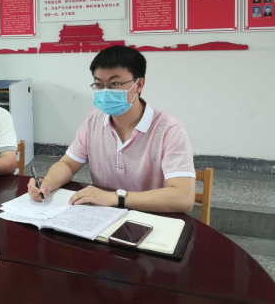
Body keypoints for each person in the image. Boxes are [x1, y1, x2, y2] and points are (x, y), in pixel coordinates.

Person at [28, 46, 195, 213]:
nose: (105, 91)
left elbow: (183, 197)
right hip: (104, 215)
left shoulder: (170, 130)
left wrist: (116, 198)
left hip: (150, 216)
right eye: (99, 84)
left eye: (115, 83)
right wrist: (48, 182)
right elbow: (68, 164)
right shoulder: (94, 120)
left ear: (139, 85)